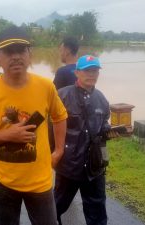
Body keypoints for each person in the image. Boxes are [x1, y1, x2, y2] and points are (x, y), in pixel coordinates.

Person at [0, 26, 67, 225]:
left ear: (30, 55)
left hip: (40, 180)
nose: (16, 56)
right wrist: (8, 135)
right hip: (1, 180)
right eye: (9, 52)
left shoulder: (46, 87)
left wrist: (59, 150)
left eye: (21, 50)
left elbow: (60, 116)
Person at [54, 55, 110, 225]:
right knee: (56, 206)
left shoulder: (101, 98)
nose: (91, 74)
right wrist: (55, 154)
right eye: (87, 70)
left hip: (94, 166)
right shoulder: (62, 95)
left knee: (97, 209)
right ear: (77, 72)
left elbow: (104, 124)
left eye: (95, 71)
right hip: (69, 165)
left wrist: (112, 131)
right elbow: (51, 129)